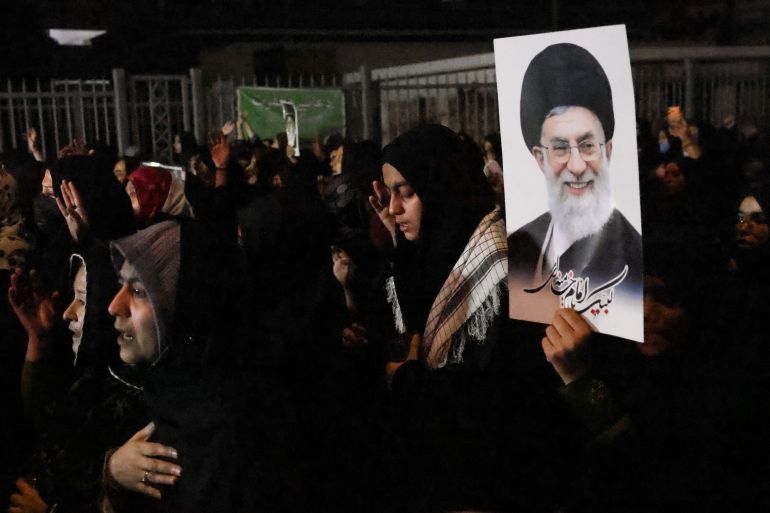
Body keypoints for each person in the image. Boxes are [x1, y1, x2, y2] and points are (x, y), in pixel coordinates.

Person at [369, 124, 577, 513]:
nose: (393, 208)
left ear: (438, 186)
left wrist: (411, 383)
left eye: (406, 193)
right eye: (390, 193)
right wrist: (398, 245)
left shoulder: (507, 265)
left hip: (487, 484)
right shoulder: (434, 249)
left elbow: (502, 397)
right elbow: (417, 317)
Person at [508, 43, 642, 302]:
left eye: (588, 146)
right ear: (540, 159)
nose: (577, 166)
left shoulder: (634, 255)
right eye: (560, 148)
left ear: (608, 152)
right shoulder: (519, 246)